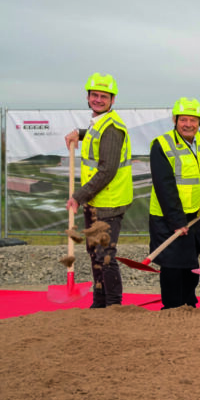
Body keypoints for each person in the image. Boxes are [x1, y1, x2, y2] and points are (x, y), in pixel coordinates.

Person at [64, 72, 132, 308]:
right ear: (88, 96)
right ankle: (99, 303)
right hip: (96, 202)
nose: (98, 99)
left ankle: (113, 306)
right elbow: (95, 136)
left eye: (104, 96)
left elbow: (107, 170)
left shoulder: (112, 128)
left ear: (112, 100)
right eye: (95, 95)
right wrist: (79, 134)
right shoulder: (99, 123)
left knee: (105, 256)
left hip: (108, 203)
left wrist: (78, 196)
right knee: (95, 254)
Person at [147, 98, 200, 309]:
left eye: (193, 120)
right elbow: (164, 185)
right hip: (168, 216)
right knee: (172, 266)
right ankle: (171, 307)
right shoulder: (162, 144)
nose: (188, 124)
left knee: (190, 263)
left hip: (195, 214)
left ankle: (188, 302)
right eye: (183, 119)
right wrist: (177, 220)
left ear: (199, 121)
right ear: (175, 120)